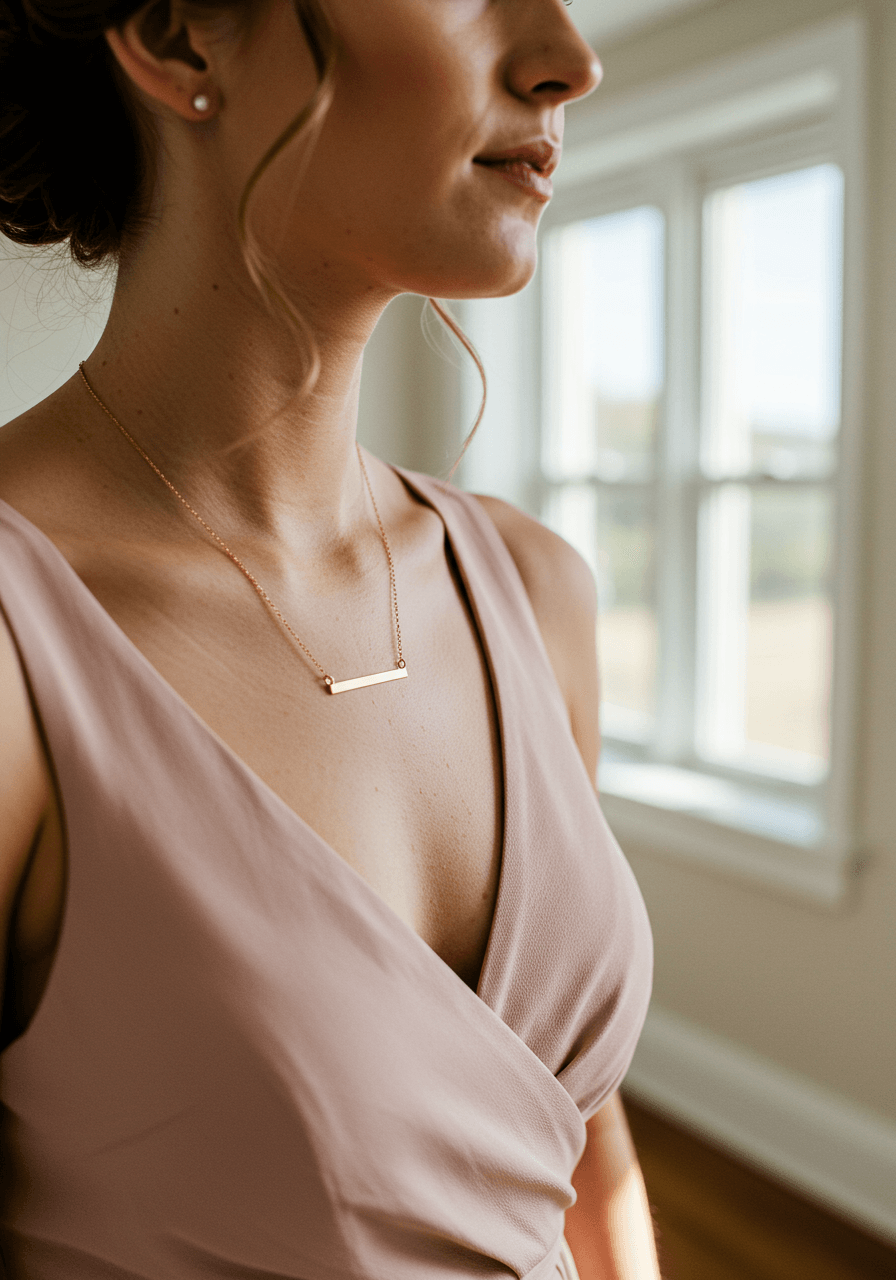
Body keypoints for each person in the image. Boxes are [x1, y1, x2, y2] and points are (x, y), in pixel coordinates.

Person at [0, 0, 659, 1275]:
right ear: (182, 37)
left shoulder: (531, 586)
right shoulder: (23, 647)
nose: (568, 59)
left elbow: (570, 1145)